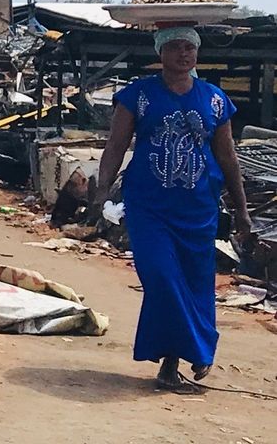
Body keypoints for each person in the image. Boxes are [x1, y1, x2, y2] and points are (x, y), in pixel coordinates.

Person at [94, 26, 253, 394]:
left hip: (198, 210)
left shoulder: (214, 100)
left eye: (190, 48)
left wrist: (242, 211)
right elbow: (116, 146)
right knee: (161, 276)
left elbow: (227, 158)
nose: (183, 54)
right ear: (160, 53)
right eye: (175, 47)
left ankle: (172, 363)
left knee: (196, 285)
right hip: (149, 205)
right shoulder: (139, 95)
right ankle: (192, 347)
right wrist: (101, 192)